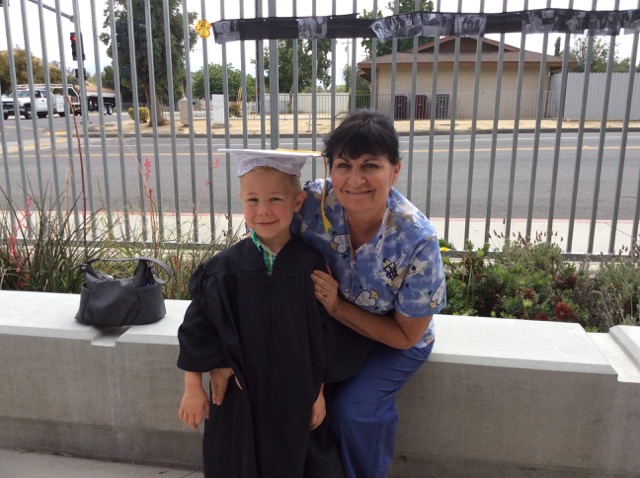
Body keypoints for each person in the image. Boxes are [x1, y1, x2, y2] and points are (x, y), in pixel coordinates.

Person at [293, 109, 447, 478]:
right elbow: (258, 241)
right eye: (344, 164)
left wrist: (337, 308)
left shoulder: (417, 240)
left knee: (355, 409)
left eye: (371, 165)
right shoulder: (310, 204)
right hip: (334, 329)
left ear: (395, 170)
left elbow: (406, 335)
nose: (355, 179)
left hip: (393, 338)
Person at [176, 149, 346, 478]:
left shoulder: (309, 264)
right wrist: (192, 386)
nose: (263, 211)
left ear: (297, 202)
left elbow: (321, 335)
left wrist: (319, 393)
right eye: (252, 200)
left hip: (296, 396)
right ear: (241, 201)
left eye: (275, 199)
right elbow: (198, 328)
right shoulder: (223, 270)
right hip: (240, 401)